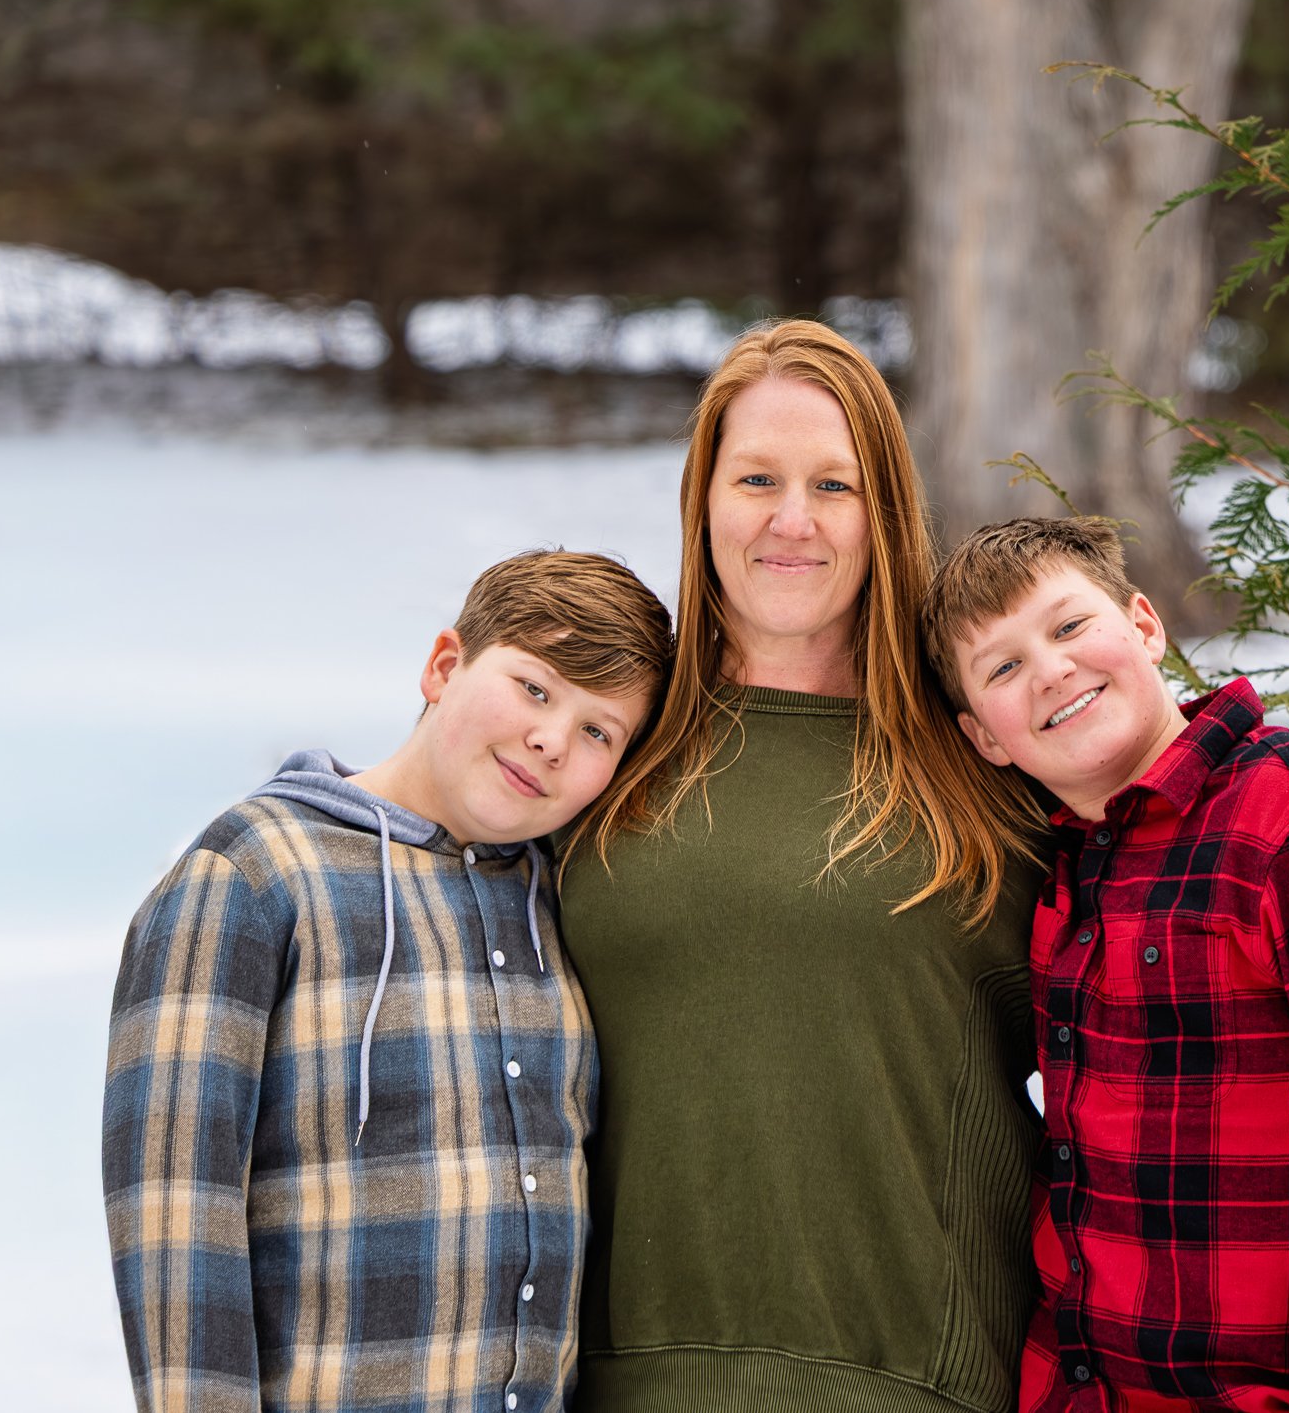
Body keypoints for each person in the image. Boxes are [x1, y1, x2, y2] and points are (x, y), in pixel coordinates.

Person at [559, 319, 1047, 1413]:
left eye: (835, 483)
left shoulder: (987, 760)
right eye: (756, 479)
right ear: (703, 502)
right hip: (620, 1385)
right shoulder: (605, 751)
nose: (791, 519)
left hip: (911, 1385)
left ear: (887, 511)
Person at [922, 516, 1289, 1413]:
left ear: (1146, 626)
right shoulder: (1066, 873)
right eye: (1002, 667)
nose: (1050, 668)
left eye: (1070, 625)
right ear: (985, 738)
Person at [101, 549, 673, 1413]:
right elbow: (176, 1220)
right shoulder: (252, 875)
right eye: (534, 688)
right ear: (445, 666)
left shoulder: (565, 904)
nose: (552, 739)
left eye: (599, 731)